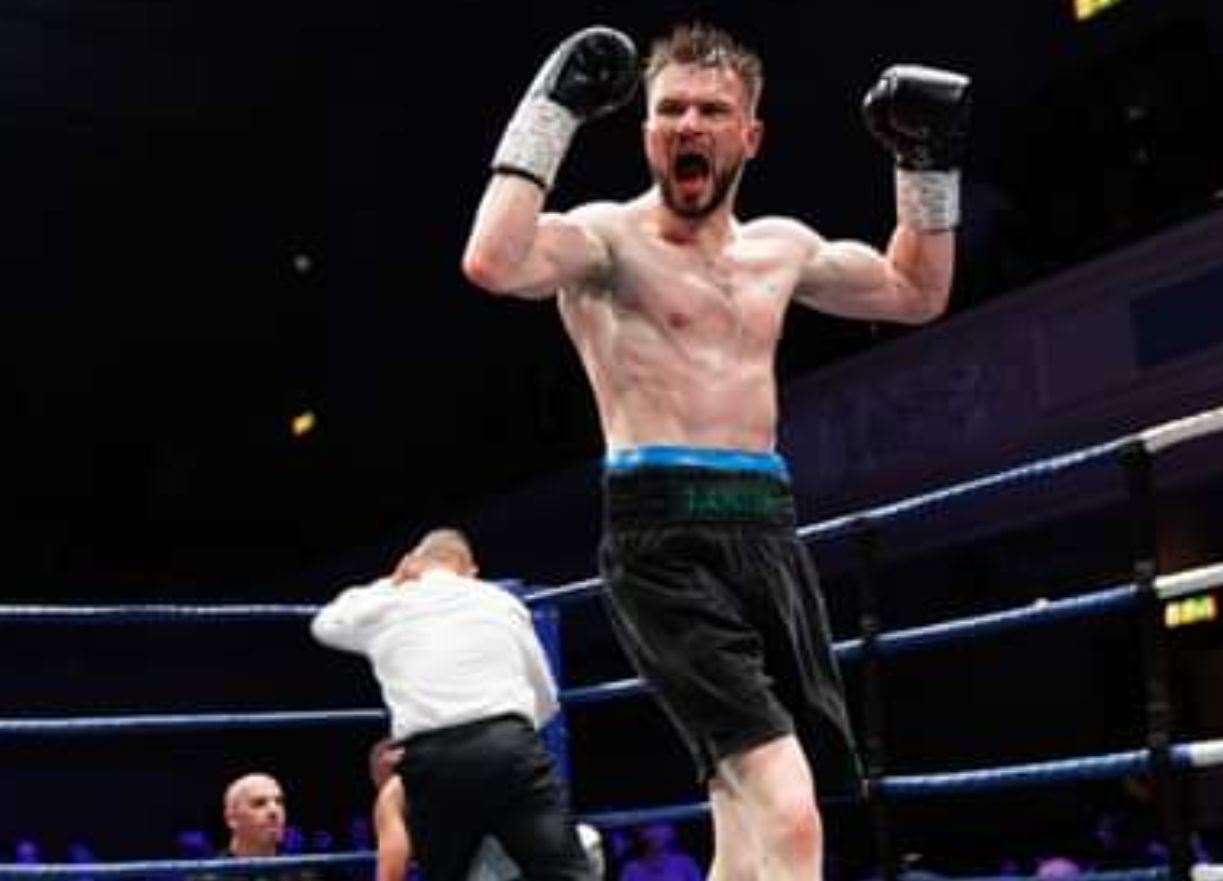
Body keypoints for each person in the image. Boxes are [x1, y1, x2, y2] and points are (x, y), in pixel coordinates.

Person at [462, 21, 968, 881]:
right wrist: (549, 111)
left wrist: (926, 164)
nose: (688, 125)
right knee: (786, 808)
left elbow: (916, 292)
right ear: (646, 130)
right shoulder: (604, 242)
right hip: (663, 540)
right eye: (670, 110)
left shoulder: (781, 248)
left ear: (749, 134)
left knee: (744, 819)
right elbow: (494, 259)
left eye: (710, 110)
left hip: (766, 531)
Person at [311, 528, 593, 881]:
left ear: (414, 563)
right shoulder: (497, 599)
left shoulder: (386, 604)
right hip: (508, 748)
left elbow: (325, 625)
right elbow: (546, 697)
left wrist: (390, 582)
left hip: (431, 761)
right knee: (568, 872)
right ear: (470, 569)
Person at [222, 773, 287, 858]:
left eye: (279, 802)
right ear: (231, 818)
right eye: (259, 803)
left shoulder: (302, 870)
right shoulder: (211, 870)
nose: (274, 810)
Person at [617, 823, 701, 881]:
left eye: (662, 825)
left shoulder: (686, 864)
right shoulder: (631, 870)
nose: (657, 832)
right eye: (651, 826)